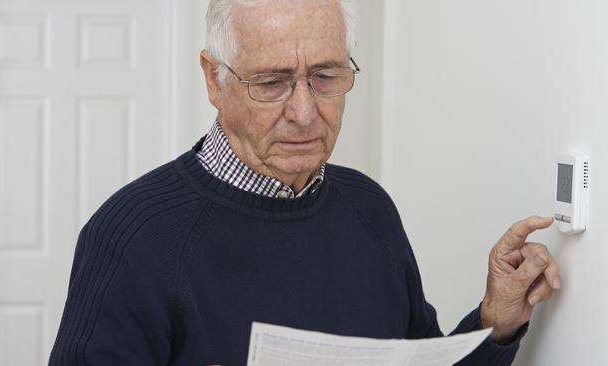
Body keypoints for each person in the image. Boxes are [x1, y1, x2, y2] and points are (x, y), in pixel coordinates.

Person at [49, 0, 561, 365]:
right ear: (214, 79)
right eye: (271, 82)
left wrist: (497, 318)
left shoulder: (370, 207)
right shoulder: (131, 235)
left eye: (326, 76)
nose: (304, 112)